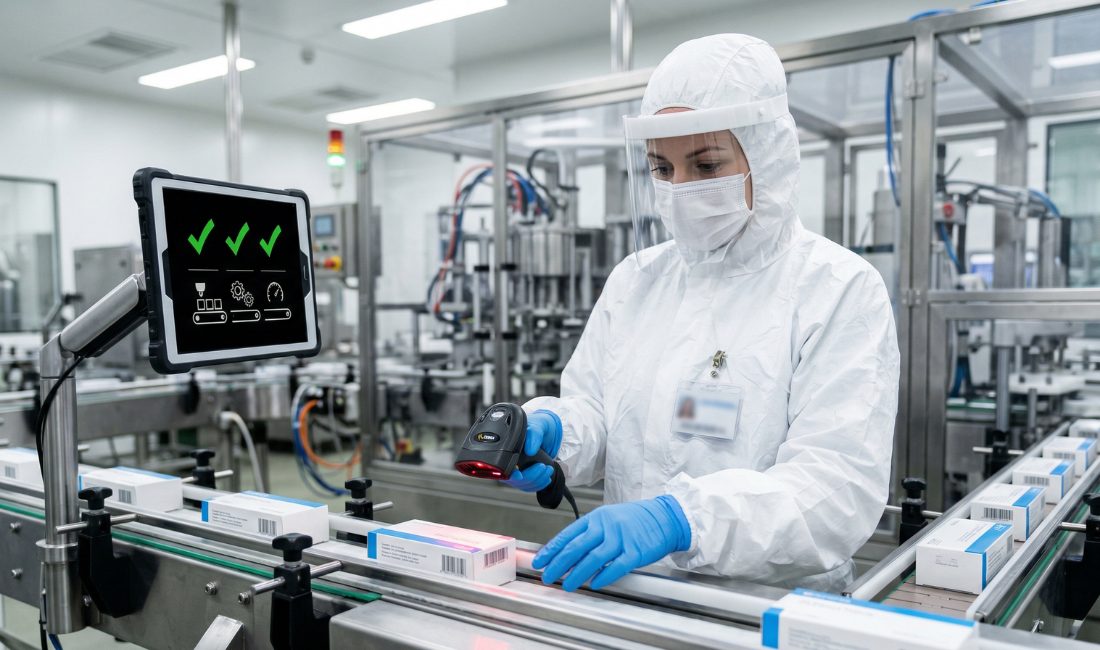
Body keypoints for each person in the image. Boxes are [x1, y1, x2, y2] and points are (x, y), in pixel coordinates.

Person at [503, 33, 900, 593]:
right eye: (662, 169)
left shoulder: (837, 289)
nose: (681, 187)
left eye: (707, 164)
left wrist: (681, 520)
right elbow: (597, 411)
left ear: (766, 155)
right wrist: (556, 434)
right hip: (632, 593)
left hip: (766, 610)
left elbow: (834, 488)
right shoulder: (637, 280)